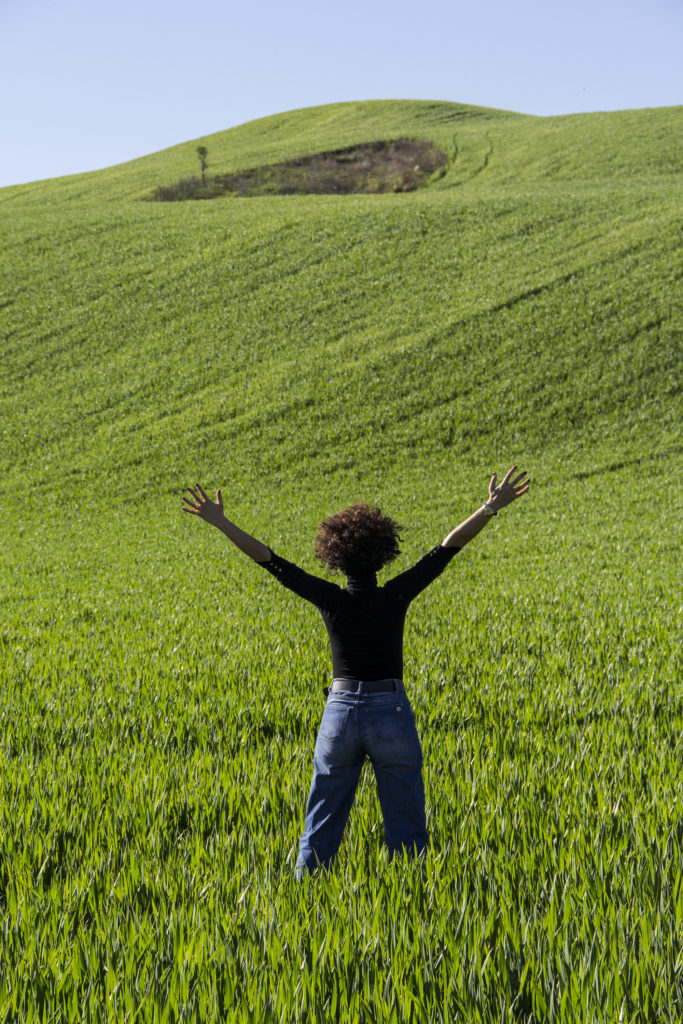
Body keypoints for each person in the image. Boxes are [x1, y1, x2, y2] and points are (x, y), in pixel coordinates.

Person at [182, 466, 529, 875]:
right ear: (383, 551)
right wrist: (490, 507)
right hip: (390, 712)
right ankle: (412, 902)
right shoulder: (397, 594)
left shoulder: (329, 598)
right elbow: (446, 549)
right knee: (407, 830)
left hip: (339, 713)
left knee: (320, 827)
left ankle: (304, 904)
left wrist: (221, 522)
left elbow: (270, 561)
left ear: (334, 557)